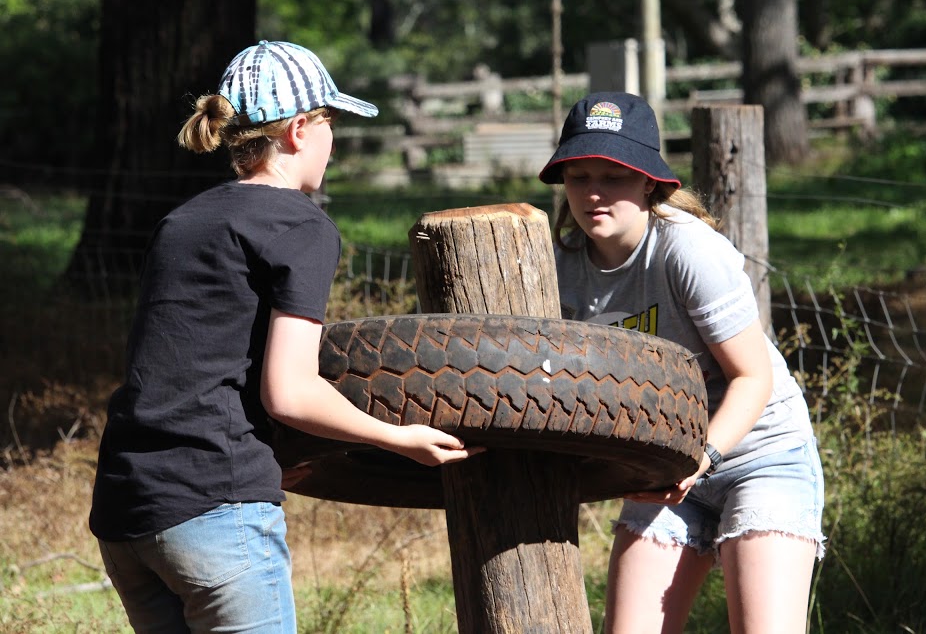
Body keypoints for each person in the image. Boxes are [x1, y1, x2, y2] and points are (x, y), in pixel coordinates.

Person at [89, 40, 483, 633]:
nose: (334, 140)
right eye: (330, 122)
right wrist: (398, 439)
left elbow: (190, 363)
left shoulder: (182, 221)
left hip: (127, 509)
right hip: (214, 511)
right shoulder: (300, 225)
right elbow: (289, 392)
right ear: (299, 129)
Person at [539, 92, 825, 634]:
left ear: (649, 182)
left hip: (759, 454)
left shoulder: (686, 250)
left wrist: (702, 457)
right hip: (662, 465)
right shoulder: (557, 267)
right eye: (579, 177)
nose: (594, 193)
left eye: (614, 177)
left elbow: (751, 376)